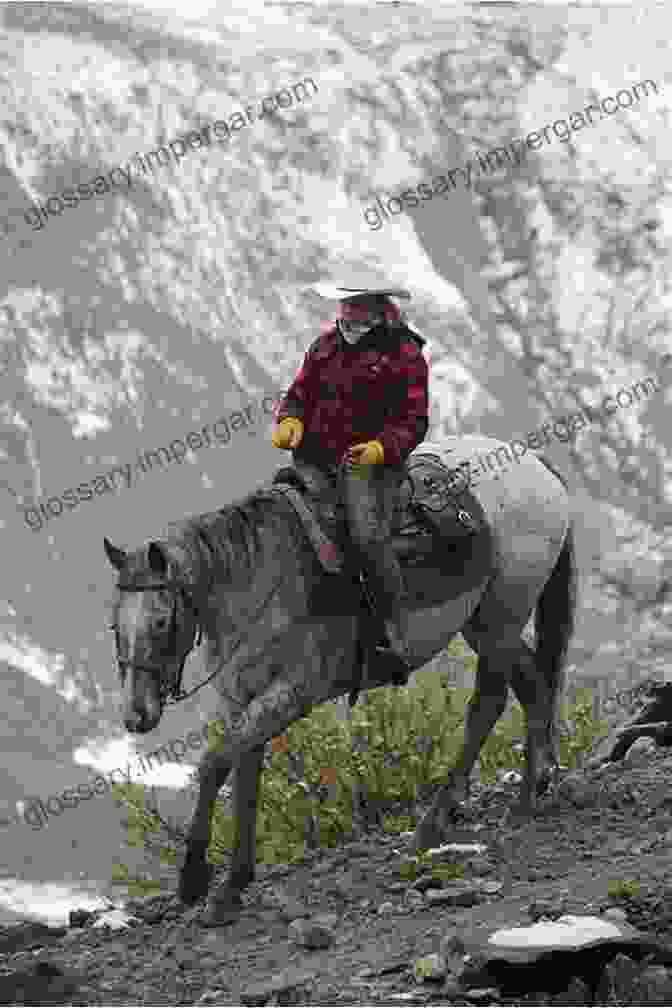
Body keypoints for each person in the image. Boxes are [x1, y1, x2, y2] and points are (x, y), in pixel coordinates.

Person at [271, 282, 429, 684]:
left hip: (370, 466)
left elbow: (414, 421)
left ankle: (392, 638)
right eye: (345, 309)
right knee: (274, 514)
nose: (349, 319)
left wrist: (380, 448)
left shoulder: (405, 354)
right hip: (313, 458)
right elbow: (298, 394)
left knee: (367, 536)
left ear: (379, 311)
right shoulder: (324, 346)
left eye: (358, 310)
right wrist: (289, 420)